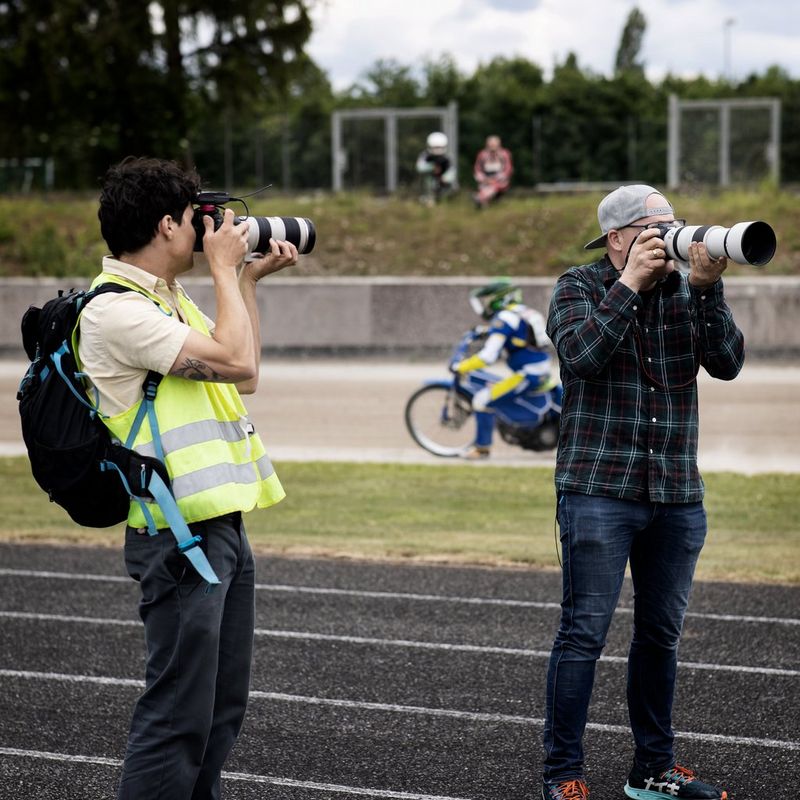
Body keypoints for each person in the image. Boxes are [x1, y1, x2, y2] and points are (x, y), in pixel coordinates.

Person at [79, 156, 298, 800]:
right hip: (176, 538)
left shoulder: (165, 299)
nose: (209, 230)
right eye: (196, 218)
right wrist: (226, 270)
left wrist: (247, 282)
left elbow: (245, 370)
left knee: (219, 710)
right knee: (177, 715)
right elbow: (233, 359)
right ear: (168, 225)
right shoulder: (115, 311)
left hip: (218, 527)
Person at [541, 185, 742, 800]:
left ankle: (653, 769)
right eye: (656, 227)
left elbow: (728, 362)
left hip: (677, 492)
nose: (670, 236)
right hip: (599, 488)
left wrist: (708, 289)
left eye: (674, 225)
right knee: (584, 634)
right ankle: (564, 774)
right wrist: (628, 285)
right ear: (620, 238)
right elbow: (581, 356)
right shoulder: (577, 287)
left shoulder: (688, 291)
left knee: (661, 635)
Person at [452, 278, 556, 459]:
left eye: (488, 300)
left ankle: (482, 449)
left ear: (498, 299)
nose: (486, 306)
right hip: (542, 370)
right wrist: (486, 331)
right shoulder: (523, 311)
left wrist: (461, 366)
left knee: (481, 400)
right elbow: (520, 336)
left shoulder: (503, 318)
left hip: (527, 375)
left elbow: (488, 356)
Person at [472, 135, 513, 209]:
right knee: (485, 187)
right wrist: (484, 179)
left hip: (500, 182)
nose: (492, 146)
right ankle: (482, 200)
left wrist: (495, 179)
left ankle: (480, 198)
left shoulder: (504, 154)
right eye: (490, 144)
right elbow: (477, 169)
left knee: (493, 187)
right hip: (485, 181)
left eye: (494, 144)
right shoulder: (482, 155)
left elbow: (508, 169)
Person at [415, 131, 456, 206]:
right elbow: (419, 167)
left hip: (443, 186)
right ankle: (428, 197)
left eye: (439, 147)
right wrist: (432, 167)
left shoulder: (446, 158)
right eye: (435, 147)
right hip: (428, 183)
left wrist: (444, 178)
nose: (437, 150)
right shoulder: (425, 156)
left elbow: (452, 172)